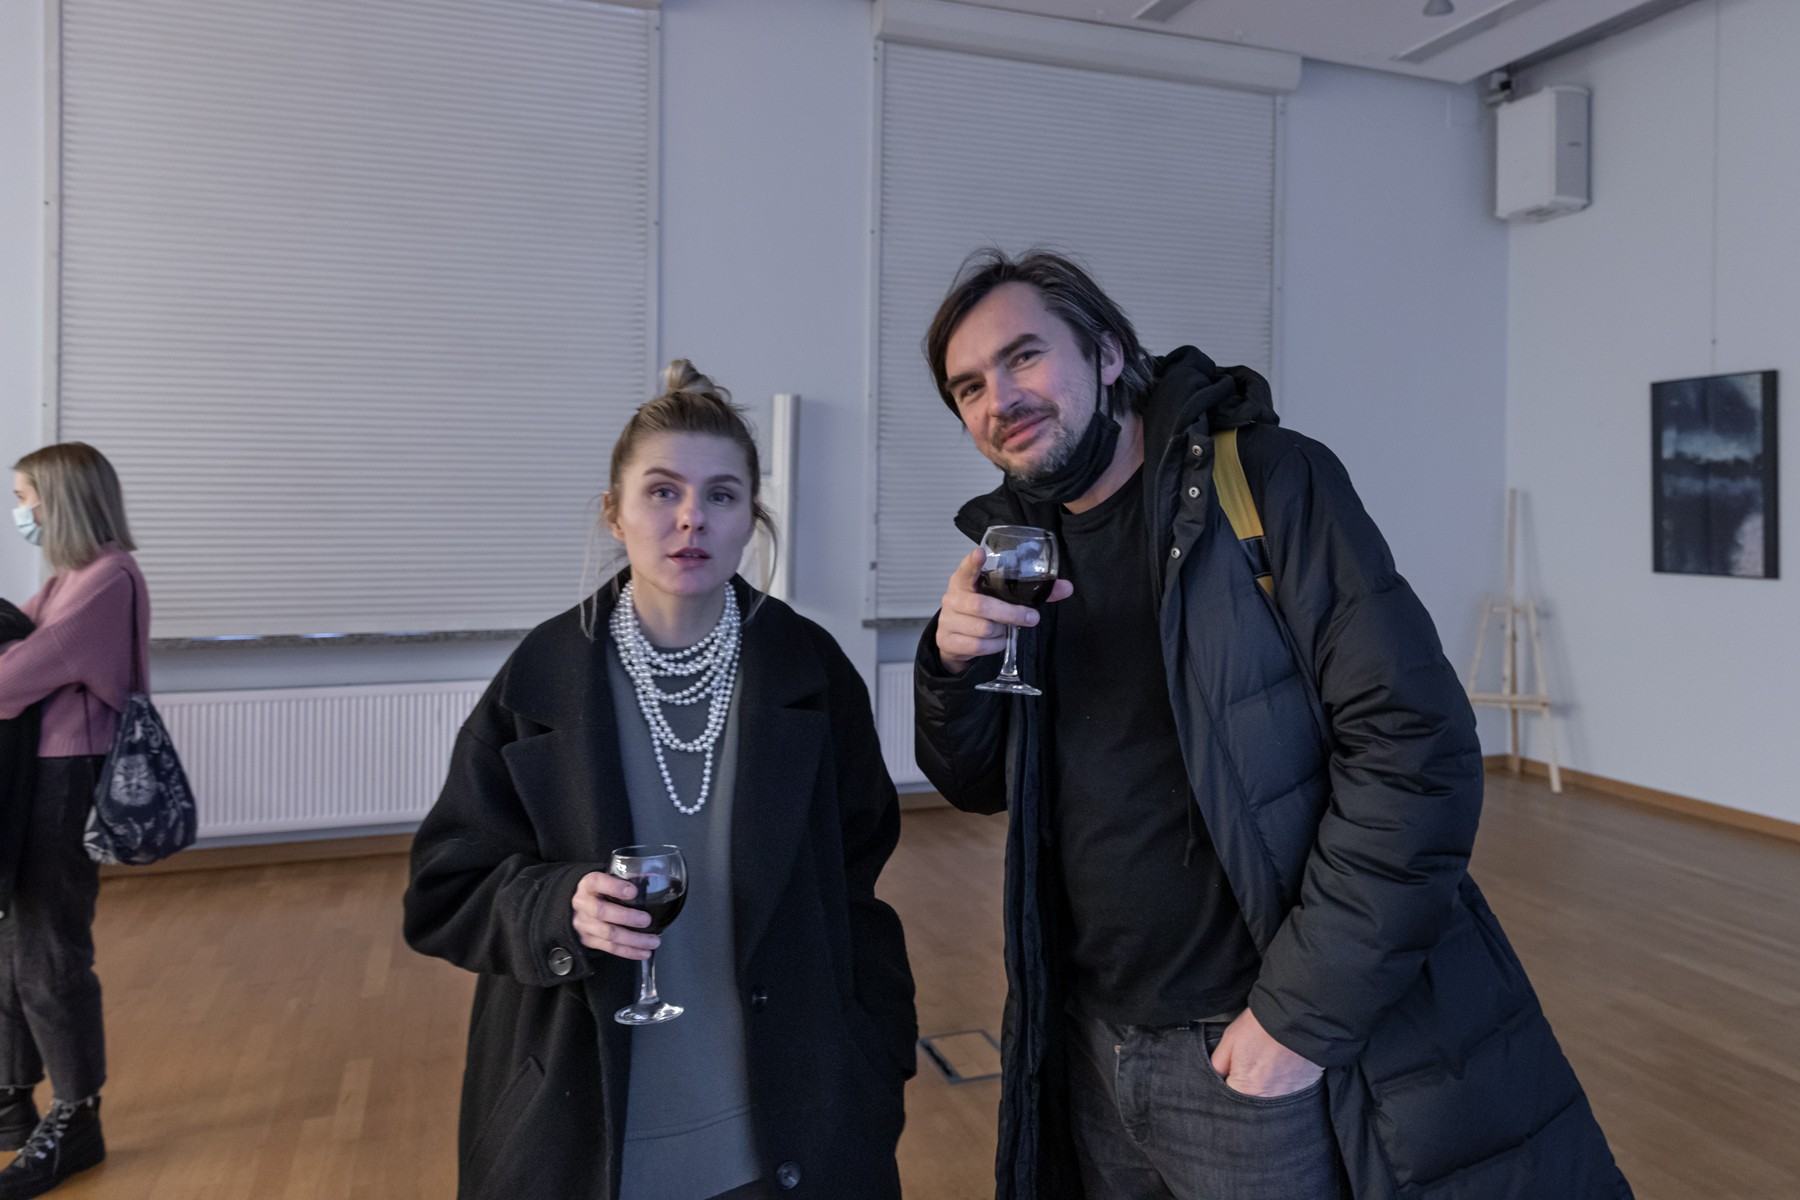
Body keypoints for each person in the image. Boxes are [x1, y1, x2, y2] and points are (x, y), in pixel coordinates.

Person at [913, 250, 1632, 1199]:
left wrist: (1299, 1017)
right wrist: (951, 666)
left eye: (1023, 357)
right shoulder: (1018, 550)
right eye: (969, 387)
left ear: (1108, 354)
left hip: (1249, 1047)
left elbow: (1415, 753)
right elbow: (972, 784)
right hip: (1088, 1039)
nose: (999, 399)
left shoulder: (1269, 483)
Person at [405, 361, 916, 1200]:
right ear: (615, 513)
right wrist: (558, 906)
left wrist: (878, 1055)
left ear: (751, 516)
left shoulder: (812, 671)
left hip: (793, 1127)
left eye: (722, 495)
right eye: (662, 491)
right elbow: (445, 888)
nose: (691, 518)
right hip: (579, 1134)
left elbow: (858, 884)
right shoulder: (540, 678)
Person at [0, 443, 150, 1199]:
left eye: (24, 496)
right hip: (37, 775)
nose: (18, 510)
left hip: (67, 777)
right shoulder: (67, 578)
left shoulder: (108, 579)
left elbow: (11, 676)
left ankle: (77, 1115)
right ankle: (11, 1098)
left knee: (50, 948)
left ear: (60, 500)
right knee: (14, 938)